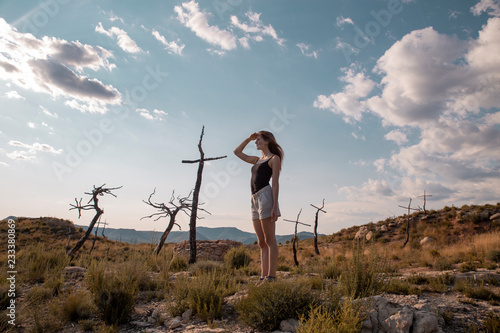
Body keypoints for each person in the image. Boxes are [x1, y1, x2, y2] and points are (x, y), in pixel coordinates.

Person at [233, 131, 284, 283]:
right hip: (254, 199)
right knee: (261, 242)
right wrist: (249, 138)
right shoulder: (256, 160)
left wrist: (275, 205)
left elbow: (275, 183)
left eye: (258, 140)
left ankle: (271, 277)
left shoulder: (274, 159)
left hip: (266, 196)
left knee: (270, 240)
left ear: (267, 141)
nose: (256, 142)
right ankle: (263, 277)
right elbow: (237, 152)